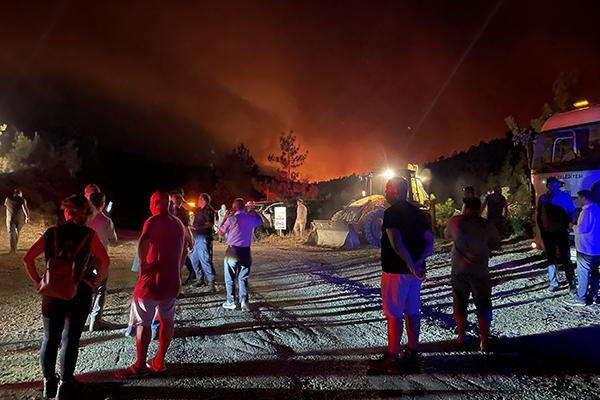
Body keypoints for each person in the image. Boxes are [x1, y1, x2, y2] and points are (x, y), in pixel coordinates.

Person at [23, 194, 109, 399]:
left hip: (52, 294)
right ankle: (65, 385)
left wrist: (39, 282)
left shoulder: (51, 233)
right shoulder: (89, 235)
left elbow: (28, 259)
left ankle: (48, 383)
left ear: (68, 212)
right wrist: (93, 283)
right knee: (70, 339)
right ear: (85, 214)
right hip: (78, 293)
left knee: (49, 338)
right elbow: (104, 261)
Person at [117, 192, 187, 378]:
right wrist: (178, 273)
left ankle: (140, 364)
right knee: (167, 320)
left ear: (155, 203)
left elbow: (143, 242)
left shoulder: (153, 221)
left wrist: (143, 267)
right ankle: (159, 360)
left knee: (143, 323)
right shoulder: (178, 223)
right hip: (171, 283)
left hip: (151, 283)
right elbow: (186, 250)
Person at [369, 177, 433, 374]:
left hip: (395, 271)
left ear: (395, 191)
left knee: (394, 314)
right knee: (412, 311)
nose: (386, 192)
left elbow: (396, 242)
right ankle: (413, 352)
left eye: (388, 189)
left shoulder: (391, 213)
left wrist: (409, 264)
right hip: (414, 274)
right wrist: (417, 264)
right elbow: (430, 243)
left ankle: (393, 357)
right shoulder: (420, 214)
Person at [445, 197, 501, 352]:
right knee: (483, 305)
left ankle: (462, 336)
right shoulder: (486, 224)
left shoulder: (455, 221)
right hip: (480, 271)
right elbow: (496, 243)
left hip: (459, 269)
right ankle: (484, 340)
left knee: (459, 302)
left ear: (464, 207)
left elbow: (447, 235)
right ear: (479, 209)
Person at [218, 198, 262, 311]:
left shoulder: (232, 218)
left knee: (230, 278)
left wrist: (225, 218)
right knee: (243, 278)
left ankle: (231, 301)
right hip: (246, 251)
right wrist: (253, 211)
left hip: (233, 251)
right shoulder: (250, 218)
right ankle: (244, 302)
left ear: (233, 207)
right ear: (244, 207)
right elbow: (260, 221)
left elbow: (220, 232)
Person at [536, 176, 577, 293]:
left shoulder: (565, 197)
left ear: (558, 186)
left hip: (561, 232)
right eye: (551, 185)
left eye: (555, 185)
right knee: (550, 259)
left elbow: (572, 213)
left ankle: (571, 283)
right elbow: (539, 215)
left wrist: (570, 225)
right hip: (548, 233)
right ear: (547, 186)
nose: (553, 187)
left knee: (566, 258)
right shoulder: (543, 198)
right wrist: (541, 231)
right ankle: (553, 282)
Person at [87, 192, 118, 331]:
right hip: (100, 259)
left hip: (84, 258)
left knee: (84, 288)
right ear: (103, 203)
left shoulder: (83, 218)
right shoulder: (106, 220)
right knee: (100, 289)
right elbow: (114, 240)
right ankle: (95, 320)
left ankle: (81, 317)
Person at [564, 190, 600, 306]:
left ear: (584, 198)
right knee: (595, 273)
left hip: (586, 248)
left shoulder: (586, 212)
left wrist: (572, 227)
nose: (578, 201)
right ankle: (593, 297)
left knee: (583, 273)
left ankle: (581, 298)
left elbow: (582, 229)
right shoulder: (598, 210)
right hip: (597, 249)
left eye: (579, 199)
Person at [190, 193, 216, 291]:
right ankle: (199, 279)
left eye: (199, 199)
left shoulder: (208, 210)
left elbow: (210, 224)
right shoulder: (200, 210)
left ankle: (211, 283)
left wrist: (197, 227)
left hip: (203, 238)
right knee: (194, 259)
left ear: (203, 200)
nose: (197, 201)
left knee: (205, 260)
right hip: (198, 239)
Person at [170, 194, 195, 285]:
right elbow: (187, 228)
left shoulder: (170, 211)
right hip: (180, 239)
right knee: (180, 258)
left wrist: (190, 241)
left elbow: (186, 228)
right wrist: (190, 241)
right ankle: (192, 271)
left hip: (175, 239)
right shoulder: (184, 212)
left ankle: (176, 285)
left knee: (176, 262)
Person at [5, 188, 30, 253]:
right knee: (17, 233)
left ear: (14, 193)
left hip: (10, 218)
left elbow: (6, 206)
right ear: (20, 194)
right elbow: (25, 209)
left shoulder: (7, 199)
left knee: (12, 234)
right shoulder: (22, 200)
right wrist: (27, 217)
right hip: (19, 219)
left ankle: (13, 249)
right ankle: (15, 247)